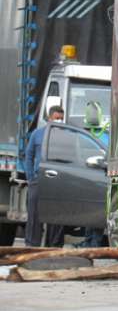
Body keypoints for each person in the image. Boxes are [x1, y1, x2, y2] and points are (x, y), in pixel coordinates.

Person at [24, 106, 66, 247]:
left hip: (58, 181)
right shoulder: (37, 134)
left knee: (56, 217)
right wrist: (31, 178)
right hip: (38, 179)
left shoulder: (66, 136)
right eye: (56, 118)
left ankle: (53, 247)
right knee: (34, 216)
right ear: (49, 118)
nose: (59, 121)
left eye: (61, 118)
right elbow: (29, 156)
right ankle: (31, 245)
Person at [75, 101, 110, 248]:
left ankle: (93, 242)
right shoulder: (97, 134)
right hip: (93, 177)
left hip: (98, 177)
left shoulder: (98, 135)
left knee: (95, 211)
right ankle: (89, 240)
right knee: (92, 211)